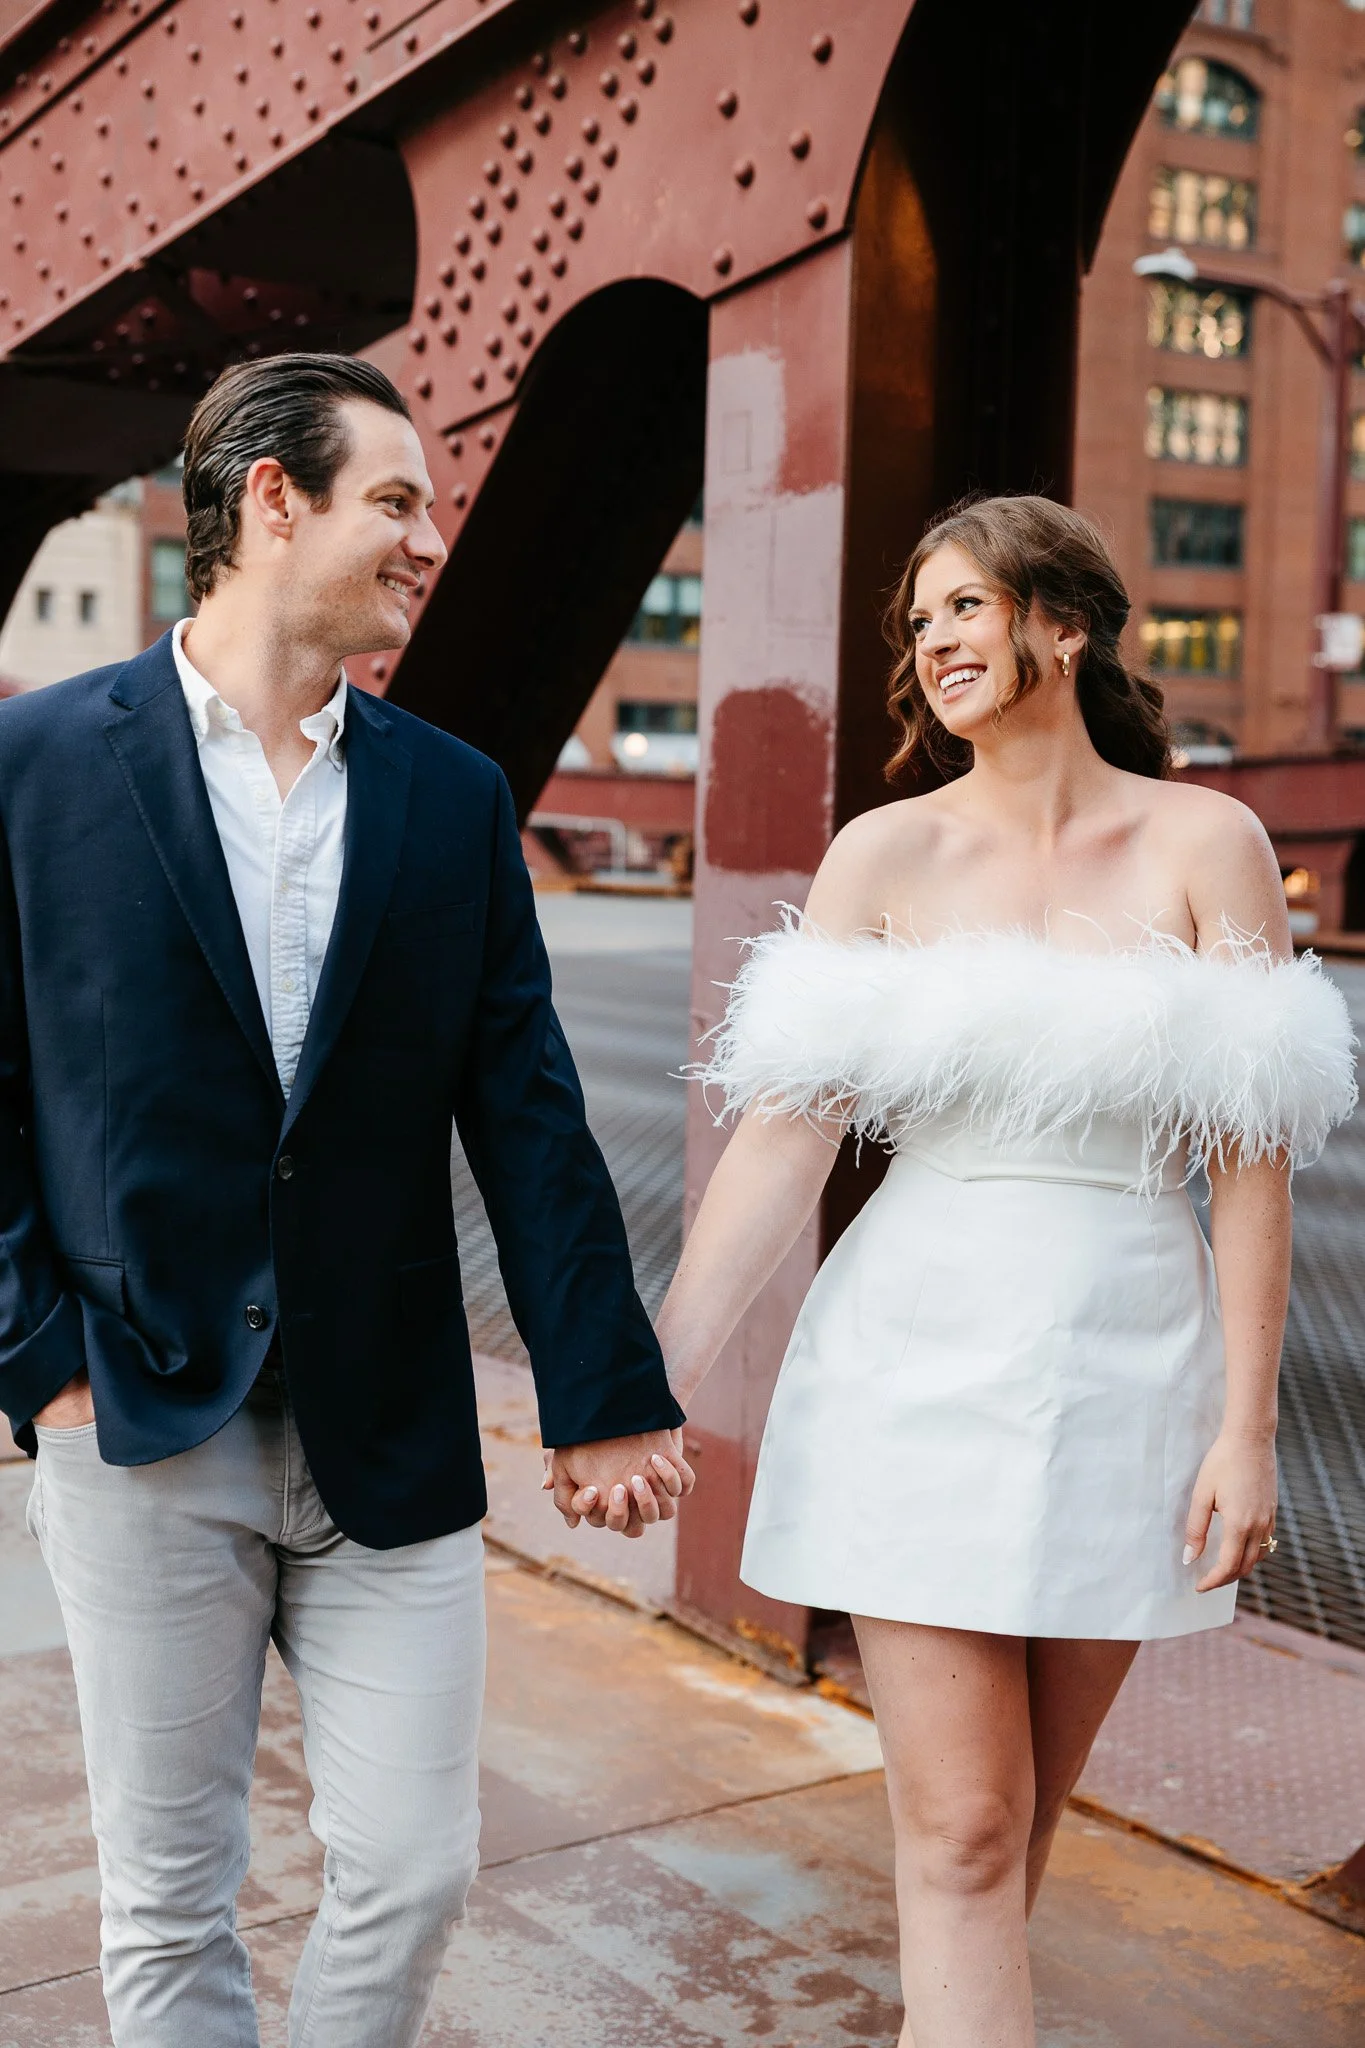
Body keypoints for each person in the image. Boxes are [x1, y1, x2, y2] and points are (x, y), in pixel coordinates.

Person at [0, 352, 690, 2048]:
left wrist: (604, 1395)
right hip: (142, 1413)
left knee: (412, 1865)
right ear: (271, 500)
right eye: (397, 499)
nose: (432, 537)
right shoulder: (34, 765)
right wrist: (37, 1360)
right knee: (170, 1900)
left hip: (392, 1424)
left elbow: (528, 1113)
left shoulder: (452, 797)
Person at [644, 496, 1356, 2047]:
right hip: (914, 1354)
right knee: (963, 1833)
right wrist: (651, 1382)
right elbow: (783, 1142)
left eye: (964, 605)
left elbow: (1251, 1163)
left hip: (1131, 1369)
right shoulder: (882, 854)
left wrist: (1246, 1429)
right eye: (920, 622)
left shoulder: (1205, 844)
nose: (935, 641)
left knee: (1014, 1827)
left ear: (1065, 624)